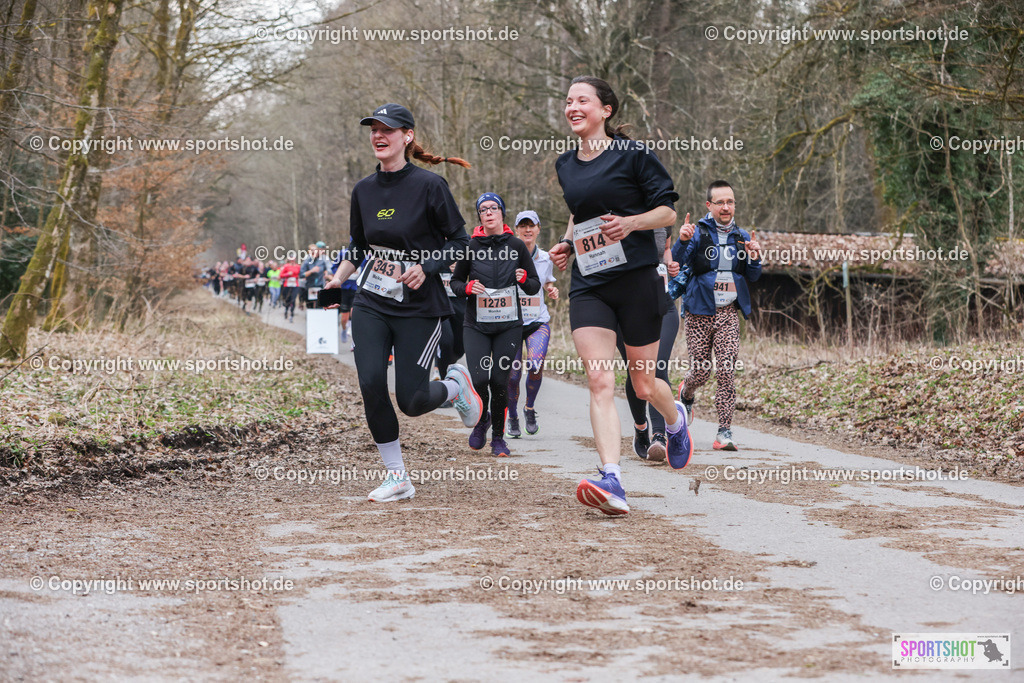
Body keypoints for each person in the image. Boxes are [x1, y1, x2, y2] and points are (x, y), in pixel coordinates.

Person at [323, 102, 483, 502]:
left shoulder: (430, 186)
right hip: (372, 300)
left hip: (419, 307)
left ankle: (454, 387)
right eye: (373, 129)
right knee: (371, 382)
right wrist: (337, 280)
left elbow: (461, 243)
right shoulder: (363, 190)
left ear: (407, 136)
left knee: (411, 401)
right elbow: (357, 247)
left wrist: (427, 266)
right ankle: (397, 477)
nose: (378, 135)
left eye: (387, 129)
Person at [548, 76, 692, 517]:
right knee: (600, 381)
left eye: (582, 100)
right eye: (568, 101)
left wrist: (630, 224)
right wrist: (568, 244)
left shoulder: (634, 155)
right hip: (591, 284)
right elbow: (580, 210)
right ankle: (612, 477)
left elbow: (667, 209)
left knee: (644, 384)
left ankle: (675, 420)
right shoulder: (565, 164)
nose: (573, 107)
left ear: (605, 109)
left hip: (636, 281)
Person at [672, 180, 761, 451]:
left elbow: (753, 276)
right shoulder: (698, 232)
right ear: (709, 205)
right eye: (720, 202)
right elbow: (675, 263)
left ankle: (724, 432)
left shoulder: (742, 236)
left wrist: (755, 258)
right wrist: (682, 240)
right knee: (701, 372)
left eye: (730, 202)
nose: (726, 207)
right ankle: (686, 393)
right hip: (698, 311)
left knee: (726, 370)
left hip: (727, 314)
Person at [450, 193, 540, 456]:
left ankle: (498, 438)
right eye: (483, 209)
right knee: (479, 380)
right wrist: (467, 287)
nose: (488, 212)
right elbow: (456, 283)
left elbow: (534, 286)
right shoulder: (470, 246)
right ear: (479, 216)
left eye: (493, 208)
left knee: (500, 381)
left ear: (502, 213)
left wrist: (524, 279)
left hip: (508, 325)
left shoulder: (517, 245)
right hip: (476, 325)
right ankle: (482, 421)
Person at [616, 228, 680, 461]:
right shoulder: (617, 218)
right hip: (626, 309)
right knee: (637, 373)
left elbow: (665, 249)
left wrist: (670, 263)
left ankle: (660, 436)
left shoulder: (662, 214)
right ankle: (641, 427)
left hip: (662, 305)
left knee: (657, 367)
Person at [506, 210, 559, 438]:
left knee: (535, 365)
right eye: (523, 225)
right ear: (516, 229)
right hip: (511, 323)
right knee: (513, 375)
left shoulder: (546, 258)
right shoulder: (507, 256)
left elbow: (547, 283)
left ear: (538, 229)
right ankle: (512, 417)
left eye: (532, 225)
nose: (528, 230)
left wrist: (551, 289)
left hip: (538, 321)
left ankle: (529, 409)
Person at [279, 256, 300, 322]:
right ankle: (286, 311)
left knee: (293, 299)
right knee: (287, 299)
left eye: (294, 259)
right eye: (291, 259)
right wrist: (287, 274)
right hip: (287, 285)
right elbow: (281, 275)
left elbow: (301, 274)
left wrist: (298, 276)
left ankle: (291, 314)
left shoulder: (298, 266)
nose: (293, 260)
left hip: (295, 285)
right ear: (289, 259)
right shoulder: (286, 266)